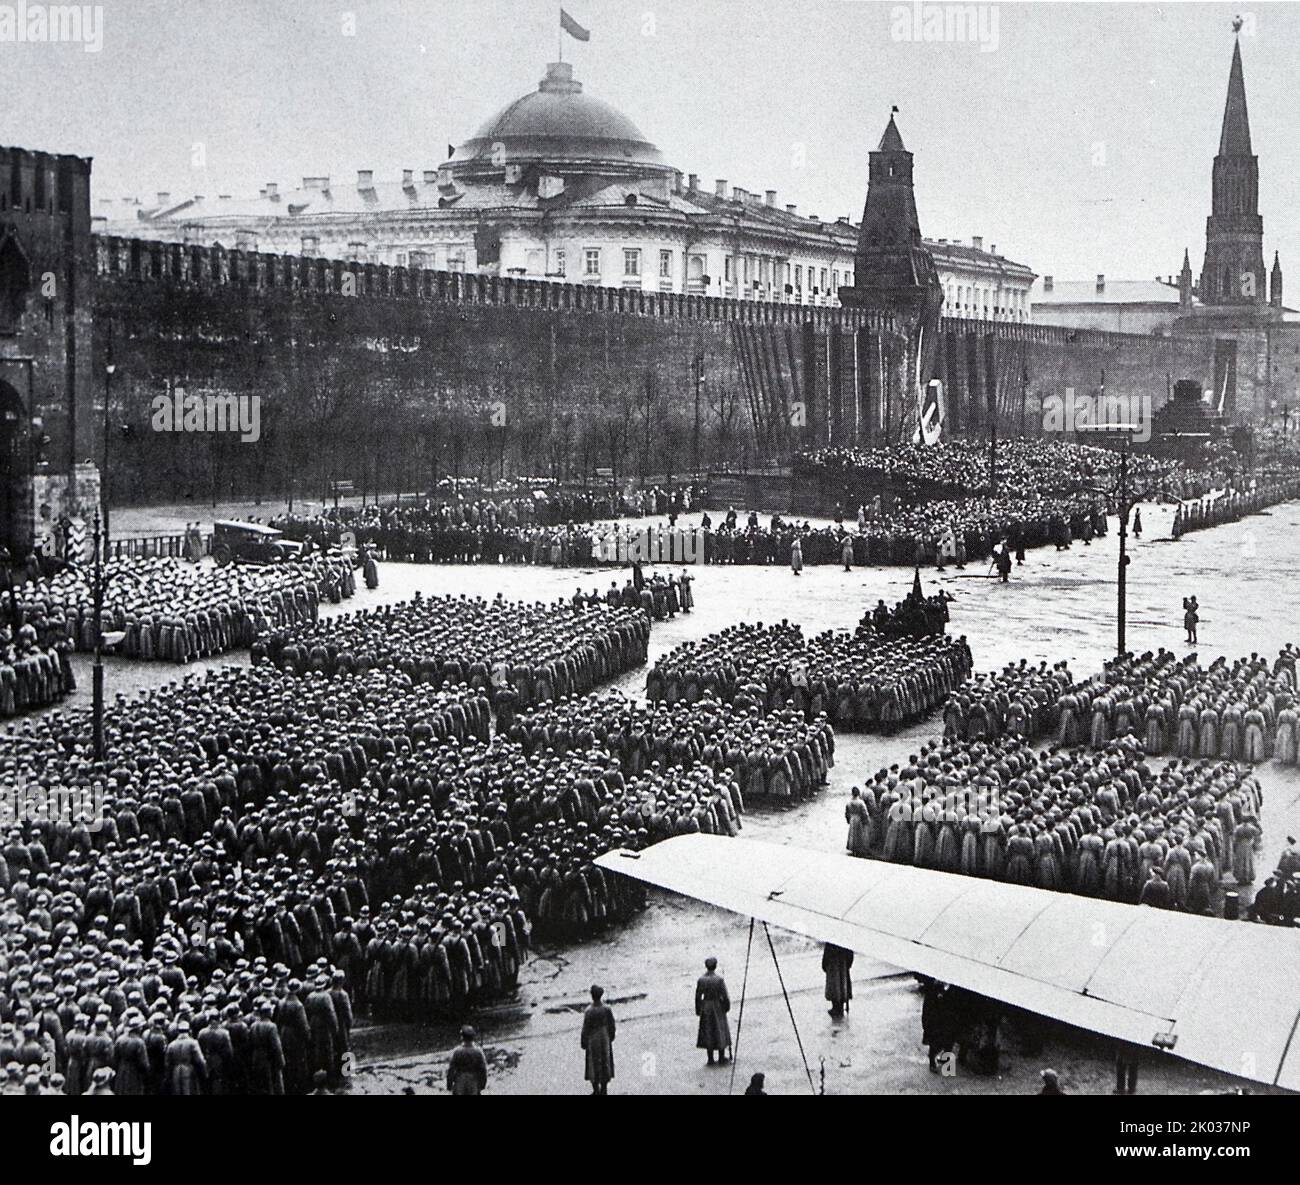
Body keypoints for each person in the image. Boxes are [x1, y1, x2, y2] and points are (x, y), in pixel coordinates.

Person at [695, 956, 732, 1065]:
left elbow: (697, 997)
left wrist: (698, 1010)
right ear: (715, 966)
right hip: (717, 1006)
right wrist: (726, 1007)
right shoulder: (719, 980)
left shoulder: (701, 980)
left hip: (706, 1006)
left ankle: (710, 1059)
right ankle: (721, 1057)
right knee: (720, 1030)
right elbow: (725, 996)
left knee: (708, 1031)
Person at [581, 985, 616, 1095]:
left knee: (593, 1062)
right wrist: (611, 1035)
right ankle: (604, 1088)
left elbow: (585, 1028)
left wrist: (583, 1041)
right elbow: (612, 1024)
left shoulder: (589, 1011)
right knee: (605, 1061)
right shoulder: (607, 1009)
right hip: (604, 1037)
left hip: (593, 1038)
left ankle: (596, 1089)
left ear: (592, 996)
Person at [446, 1025, 488, 1095]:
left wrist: (449, 1084)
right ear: (473, 1037)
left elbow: (451, 1069)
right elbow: (483, 1069)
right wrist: (483, 1084)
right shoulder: (478, 1051)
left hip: (460, 1081)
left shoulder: (457, 1051)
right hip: (474, 1081)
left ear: (462, 1037)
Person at [823, 943, 854, 1019]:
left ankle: (836, 1007)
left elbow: (827, 953)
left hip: (833, 963)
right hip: (843, 962)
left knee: (835, 986)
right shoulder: (845, 939)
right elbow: (850, 953)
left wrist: (824, 964)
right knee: (843, 985)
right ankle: (840, 1005)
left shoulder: (831, 940)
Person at [845, 787, 871, 857]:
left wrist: (848, 820)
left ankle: (852, 847)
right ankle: (859, 848)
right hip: (859, 819)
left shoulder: (849, 802)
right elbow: (864, 812)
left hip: (852, 819)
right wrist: (866, 820)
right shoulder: (861, 803)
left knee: (852, 834)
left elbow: (846, 813)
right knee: (859, 834)